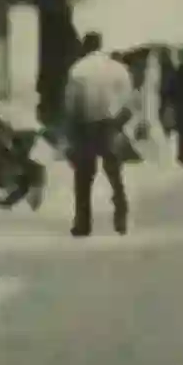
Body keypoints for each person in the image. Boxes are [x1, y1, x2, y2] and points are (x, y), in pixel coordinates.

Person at [62, 28, 136, 238]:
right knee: (114, 172)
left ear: (85, 46)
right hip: (112, 124)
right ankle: (121, 212)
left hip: (87, 124)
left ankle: (83, 222)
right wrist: (121, 121)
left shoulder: (78, 70)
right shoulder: (118, 69)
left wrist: (71, 131)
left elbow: (72, 104)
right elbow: (129, 99)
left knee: (83, 176)